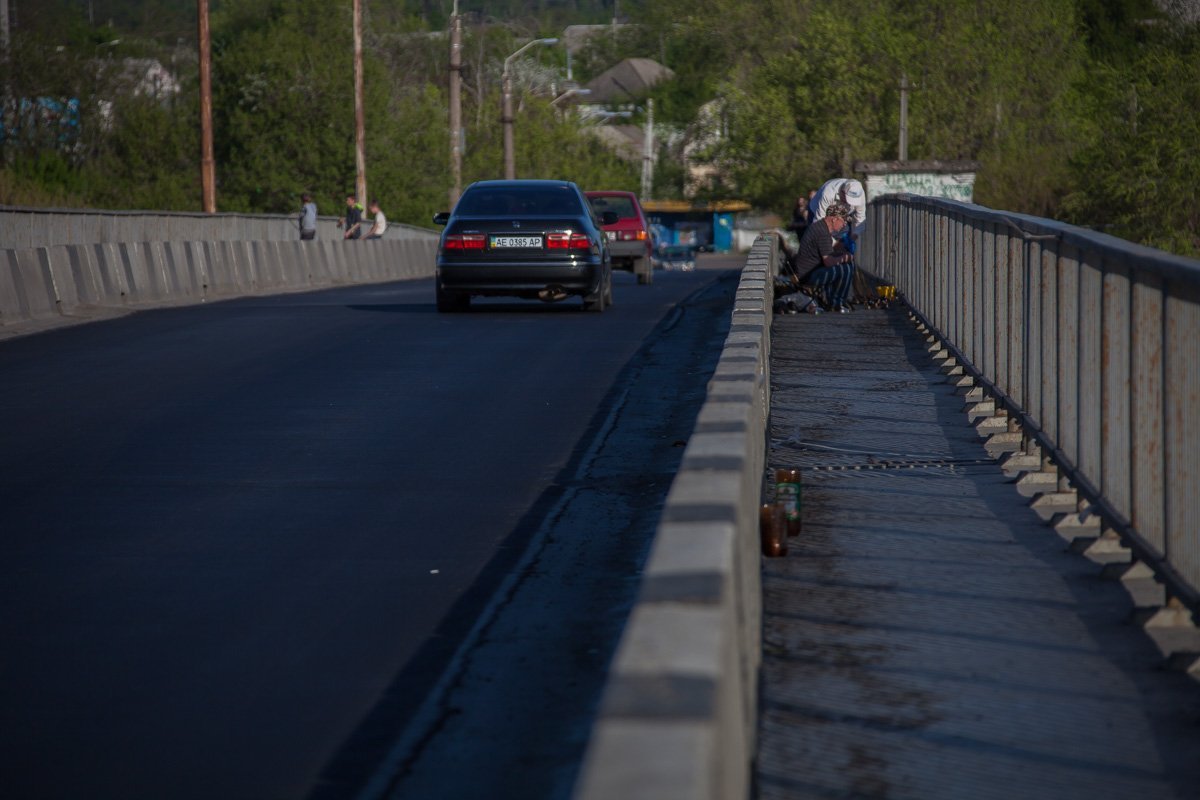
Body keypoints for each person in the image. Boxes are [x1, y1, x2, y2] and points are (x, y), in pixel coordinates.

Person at [792, 201, 856, 313]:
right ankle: (836, 304)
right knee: (845, 268)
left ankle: (835, 301)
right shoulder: (822, 232)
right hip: (808, 276)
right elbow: (828, 261)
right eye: (843, 220)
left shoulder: (820, 227)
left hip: (810, 271)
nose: (844, 224)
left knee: (844, 265)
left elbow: (827, 255)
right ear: (834, 219)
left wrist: (841, 254)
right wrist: (845, 257)